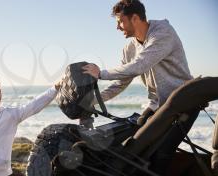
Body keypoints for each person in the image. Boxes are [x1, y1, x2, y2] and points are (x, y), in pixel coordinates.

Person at [82, 0, 199, 155]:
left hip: (183, 102)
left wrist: (101, 74)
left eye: (120, 22)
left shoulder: (163, 33)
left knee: (161, 152)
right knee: (135, 144)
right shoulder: (129, 49)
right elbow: (121, 83)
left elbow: (140, 64)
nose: (117, 27)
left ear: (135, 18)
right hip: (157, 105)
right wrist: (92, 100)